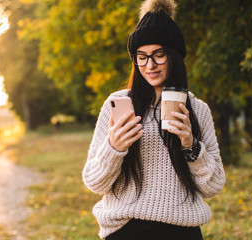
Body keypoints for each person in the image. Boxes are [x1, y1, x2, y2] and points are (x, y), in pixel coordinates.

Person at [82, 0, 226, 239]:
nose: (150, 65)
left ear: (174, 56)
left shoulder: (198, 111)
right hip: (127, 228)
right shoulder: (117, 104)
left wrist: (191, 146)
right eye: (142, 57)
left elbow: (214, 186)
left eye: (159, 55)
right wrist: (113, 148)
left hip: (182, 230)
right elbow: (95, 183)